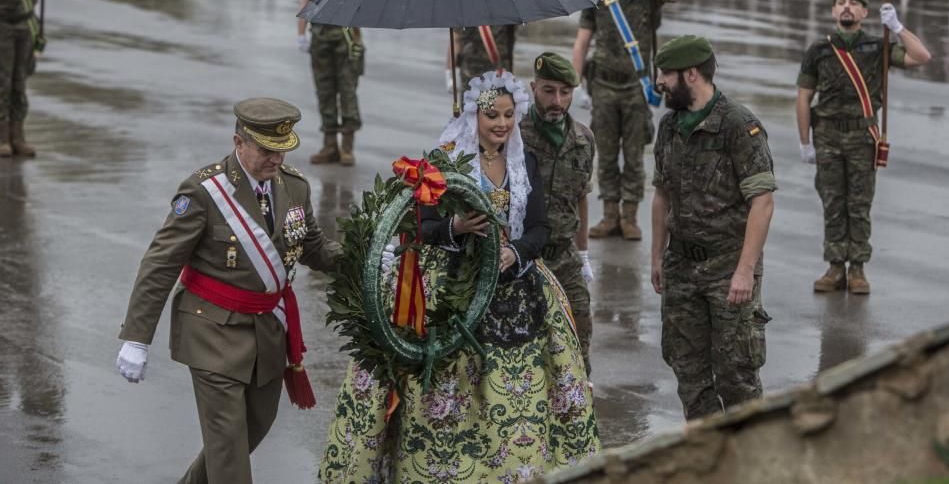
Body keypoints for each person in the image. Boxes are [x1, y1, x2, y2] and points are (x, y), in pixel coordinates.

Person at [320, 69, 599, 482]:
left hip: (517, 287)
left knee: (528, 384)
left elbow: (540, 228)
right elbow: (419, 227)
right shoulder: (444, 162)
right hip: (451, 284)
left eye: (508, 115)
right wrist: (457, 229)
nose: (501, 125)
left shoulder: (526, 161)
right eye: (492, 117)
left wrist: (514, 251)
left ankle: (517, 466)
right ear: (473, 117)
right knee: (448, 386)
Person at [115, 98, 339, 484]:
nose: (276, 160)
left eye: (283, 151)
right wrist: (136, 337)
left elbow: (313, 247)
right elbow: (161, 262)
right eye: (267, 151)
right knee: (229, 451)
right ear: (239, 142)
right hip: (211, 331)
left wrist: (367, 257)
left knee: (252, 427)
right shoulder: (204, 192)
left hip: (268, 331)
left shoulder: (294, 187)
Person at [649, 35, 776, 421]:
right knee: (690, 376)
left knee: (737, 376)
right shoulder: (669, 126)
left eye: (666, 75)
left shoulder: (738, 125)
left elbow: (763, 202)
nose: (660, 83)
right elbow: (661, 196)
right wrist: (656, 255)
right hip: (681, 267)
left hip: (727, 268)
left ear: (690, 74)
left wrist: (745, 270)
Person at [797, 0, 932, 295]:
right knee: (832, 202)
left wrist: (897, 28)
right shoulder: (818, 50)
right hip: (828, 135)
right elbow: (804, 97)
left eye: (854, 4)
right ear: (833, 11)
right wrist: (805, 141)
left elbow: (921, 56)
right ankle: (834, 266)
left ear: (864, 13)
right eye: (841, 3)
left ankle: (857, 269)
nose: (847, 7)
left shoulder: (878, 46)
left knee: (859, 204)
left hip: (862, 136)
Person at [572, 0, 695, 242]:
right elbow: (582, 42)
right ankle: (609, 215)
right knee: (607, 153)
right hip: (602, 86)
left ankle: (630, 217)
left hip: (635, 86)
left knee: (635, 154)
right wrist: (577, 85)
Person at [520, 52, 597, 373]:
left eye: (565, 92)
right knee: (525, 351)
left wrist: (584, 252)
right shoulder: (515, 134)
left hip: (565, 258)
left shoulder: (583, 139)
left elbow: (580, 197)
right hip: (524, 258)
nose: (557, 100)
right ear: (533, 88)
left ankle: (577, 416)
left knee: (579, 345)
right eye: (549, 90)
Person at [297, 0, 386, 166]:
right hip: (321, 37)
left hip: (347, 38)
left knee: (347, 92)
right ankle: (329, 145)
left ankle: (347, 147)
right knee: (324, 92)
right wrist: (300, 33)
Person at [0, 0, 65, 158]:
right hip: (2, 26)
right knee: (2, 83)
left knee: (20, 82)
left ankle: (19, 137)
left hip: (26, 27)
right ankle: (2, 138)